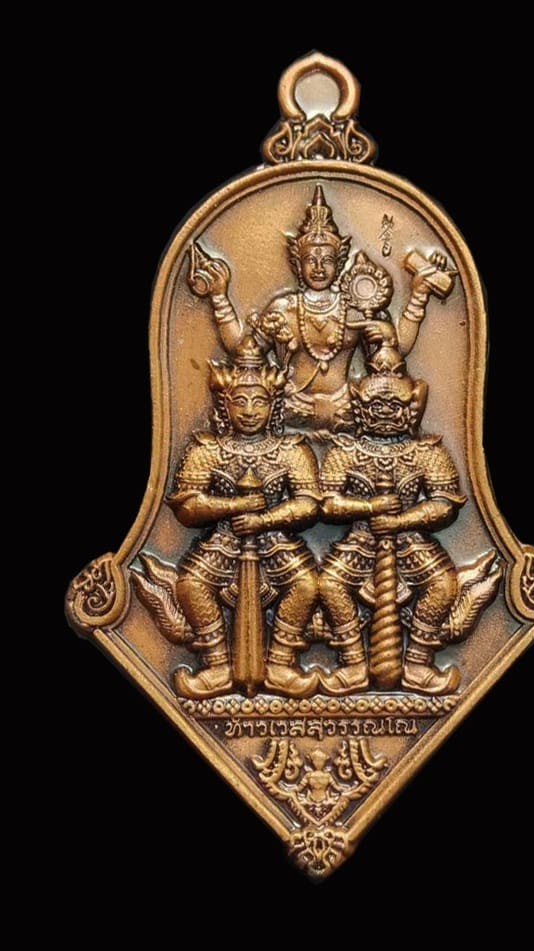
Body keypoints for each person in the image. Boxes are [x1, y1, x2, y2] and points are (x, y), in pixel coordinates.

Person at [318, 354, 501, 696]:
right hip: (360, 540)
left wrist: (401, 520)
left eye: (395, 406)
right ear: (360, 409)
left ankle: (418, 661)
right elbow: (327, 503)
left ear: (411, 409)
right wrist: (369, 507)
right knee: (329, 585)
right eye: (376, 406)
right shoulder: (345, 451)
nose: (385, 413)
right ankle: (352, 661)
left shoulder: (426, 452)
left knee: (443, 584)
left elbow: (444, 504)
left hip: (411, 539)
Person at [192, 185, 447, 430]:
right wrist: (219, 297)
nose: (318, 268)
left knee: (391, 407)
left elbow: (397, 352)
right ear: (297, 263)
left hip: (348, 407)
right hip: (292, 406)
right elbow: (242, 351)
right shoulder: (284, 308)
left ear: (339, 263)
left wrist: (418, 295)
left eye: (327, 260)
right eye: (310, 260)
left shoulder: (354, 308)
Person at [166, 336, 321, 699]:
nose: (249, 410)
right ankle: (217, 664)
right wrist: (235, 507)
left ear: (274, 405)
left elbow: (309, 504)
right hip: (224, 538)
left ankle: (280, 663)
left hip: (275, 538)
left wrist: (265, 520)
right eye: (240, 401)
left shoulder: (291, 450)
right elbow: (187, 506)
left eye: (259, 401)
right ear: (225, 404)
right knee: (191, 584)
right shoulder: (207, 449)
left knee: (307, 585)